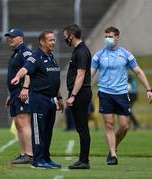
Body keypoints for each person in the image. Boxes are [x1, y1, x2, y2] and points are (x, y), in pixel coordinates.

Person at [91, 26, 152, 165]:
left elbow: (138, 71)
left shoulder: (126, 54)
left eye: (110, 36)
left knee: (125, 126)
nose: (107, 39)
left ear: (117, 37)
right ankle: (113, 155)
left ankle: (114, 146)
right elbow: (90, 74)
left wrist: (149, 89)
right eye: (106, 36)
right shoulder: (99, 55)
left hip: (121, 94)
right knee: (109, 125)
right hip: (105, 93)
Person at [11, 31, 64, 169]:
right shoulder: (36, 57)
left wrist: (59, 98)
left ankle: (46, 158)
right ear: (42, 42)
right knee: (38, 131)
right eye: (50, 40)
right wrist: (17, 77)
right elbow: (25, 69)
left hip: (51, 100)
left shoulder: (51, 57)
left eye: (54, 40)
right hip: (39, 99)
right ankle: (37, 160)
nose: (53, 42)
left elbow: (53, 80)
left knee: (47, 131)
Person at [63, 24, 92, 169]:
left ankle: (84, 160)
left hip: (80, 93)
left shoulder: (81, 51)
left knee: (82, 127)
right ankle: (83, 159)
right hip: (78, 93)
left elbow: (80, 76)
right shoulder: (78, 50)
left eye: (65, 37)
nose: (65, 40)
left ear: (71, 36)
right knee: (81, 127)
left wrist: (73, 95)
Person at [5, 28, 33, 164]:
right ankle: (23, 153)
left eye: (13, 37)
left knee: (24, 122)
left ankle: (29, 154)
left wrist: (25, 88)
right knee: (18, 123)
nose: (10, 39)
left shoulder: (25, 52)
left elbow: (29, 71)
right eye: (9, 37)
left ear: (21, 38)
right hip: (15, 93)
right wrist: (11, 94)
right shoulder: (16, 53)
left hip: (22, 92)